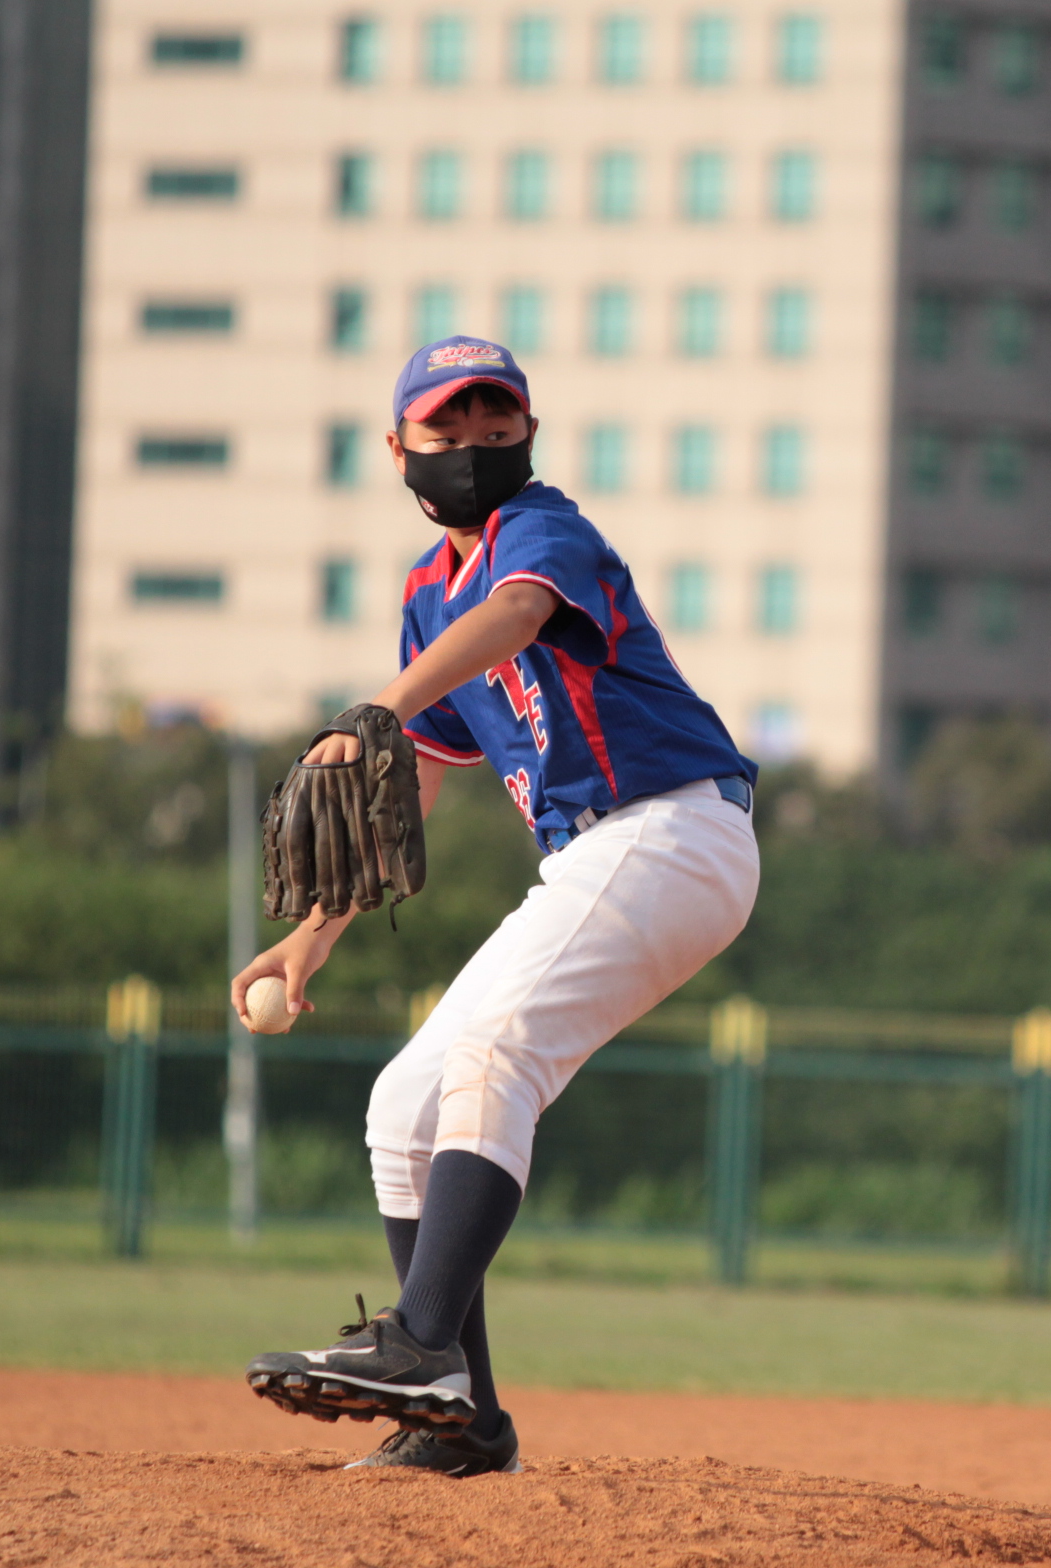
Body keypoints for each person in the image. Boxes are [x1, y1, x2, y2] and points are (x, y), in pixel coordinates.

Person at [230, 336, 760, 1474]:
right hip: (597, 855)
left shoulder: (542, 529)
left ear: (528, 433)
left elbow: (519, 614)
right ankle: (464, 1428)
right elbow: (412, 778)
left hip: (674, 827)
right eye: (447, 426)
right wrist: (314, 935)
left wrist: (370, 705)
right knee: (404, 1103)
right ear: (398, 448)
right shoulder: (428, 595)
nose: (474, 442)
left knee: (494, 1056)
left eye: (495, 422)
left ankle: (421, 1339)